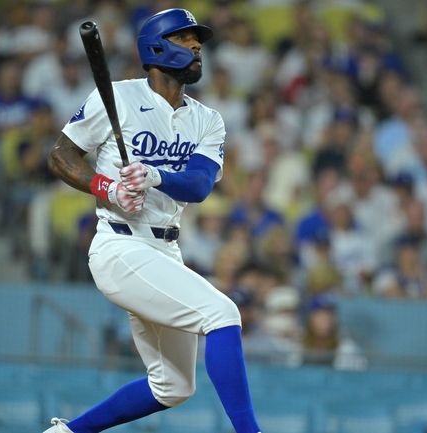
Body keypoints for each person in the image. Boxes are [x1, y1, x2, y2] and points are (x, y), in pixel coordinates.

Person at [44, 8, 263, 433]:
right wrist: (107, 188)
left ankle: (68, 432)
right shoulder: (119, 97)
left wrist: (155, 175)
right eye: (185, 39)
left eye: (198, 42)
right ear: (157, 46)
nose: (197, 47)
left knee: (173, 386)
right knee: (223, 315)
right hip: (119, 245)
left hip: (165, 248)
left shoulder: (207, 119)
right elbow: (61, 155)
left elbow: (199, 185)